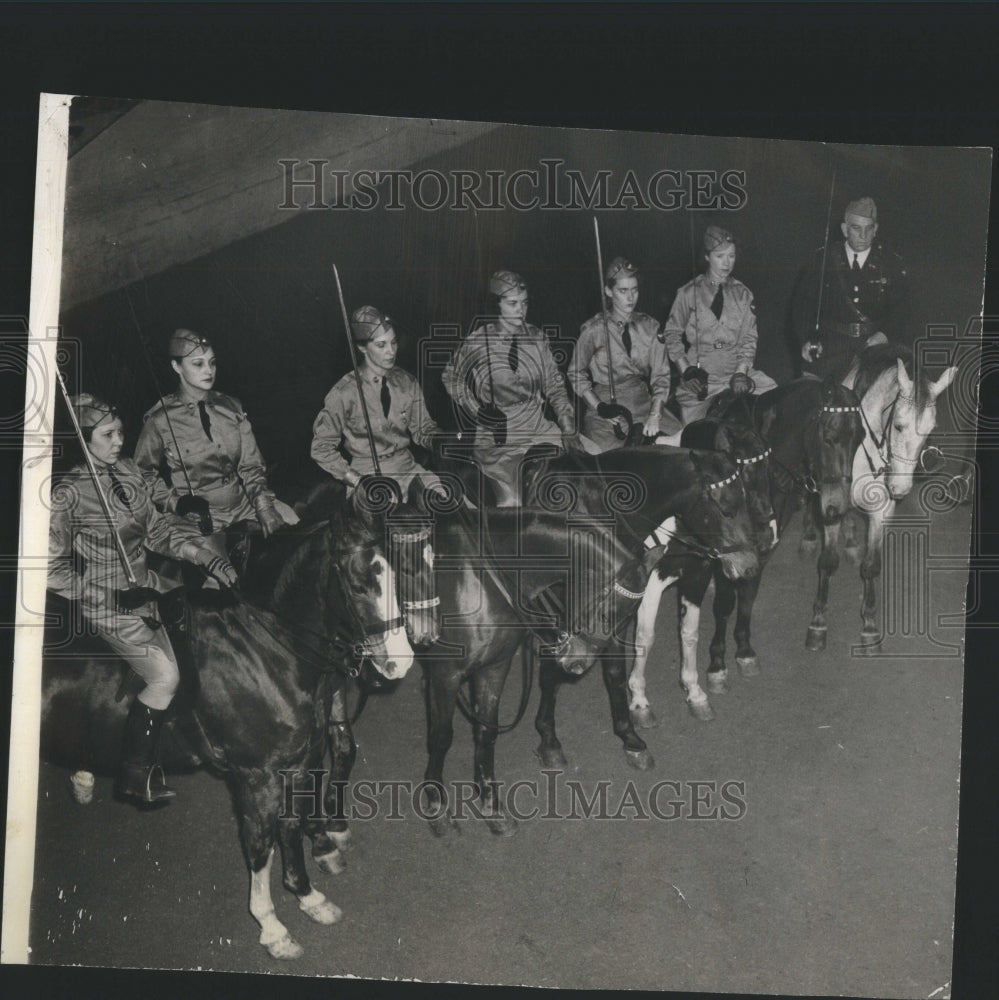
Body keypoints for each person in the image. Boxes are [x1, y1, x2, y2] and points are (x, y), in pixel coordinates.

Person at [48, 394, 238, 804]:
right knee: (165, 677)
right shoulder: (67, 494)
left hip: (148, 583)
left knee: (206, 626)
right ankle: (136, 775)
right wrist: (97, 592)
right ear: (84, 440)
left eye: (120, 432)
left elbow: (158, 532)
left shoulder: (129, 472)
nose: (120, 440)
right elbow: (48, 567)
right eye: (108, 434)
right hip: (107, 599)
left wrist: (206, 558)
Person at [134, 329, 290, 564]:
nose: (208, 371)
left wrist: (263, 505)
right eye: (198, 364)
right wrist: (175, 502)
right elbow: (142, 473)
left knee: (296, 535)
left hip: (243, 504)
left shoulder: (231, 406)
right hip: (198, 521)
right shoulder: (159, 420)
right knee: (221, 580)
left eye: (212, 363)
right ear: (177, 367)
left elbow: (250, 464)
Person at [441, 270, 582, 505]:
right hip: (500, 438)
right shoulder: (478, 342)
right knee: (513, 502)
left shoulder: (537, 338)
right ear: (497, 306)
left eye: (524, 303)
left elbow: (555, 388)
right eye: (513, 303)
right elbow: (450, 377)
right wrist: (477, 410)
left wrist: (567, 428)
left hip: (540, 429)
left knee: (592, 465)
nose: (521, 310)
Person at [312, 306, 444, 503]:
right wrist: (356, 480)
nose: (391, 351)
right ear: (362, 347)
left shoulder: (407, 382)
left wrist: (440, 440)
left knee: (450, 504)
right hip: (369, 475)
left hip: (408, 468)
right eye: (381, 345)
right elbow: (321, 448)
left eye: (394, 342)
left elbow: (422, 428)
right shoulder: (344, 392)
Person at [662, 226, 778, 425]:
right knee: (696, 429)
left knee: (774, 400)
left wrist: (741, 373)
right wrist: (687, 371)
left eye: (731, 256)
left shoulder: (743, 294)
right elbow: (672, 335)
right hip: (702, 379)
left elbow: (749, 339)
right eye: (720, 256)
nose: (727, 263)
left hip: (736, 372)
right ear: (707, 257)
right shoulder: (688, 293)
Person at [569, 256, 680, 451]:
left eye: (634, 290)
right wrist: (599, 407)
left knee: (684, 443)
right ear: (608, 291)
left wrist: (655, 415)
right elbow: (575, 373)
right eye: (623, 291)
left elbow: (661, 377)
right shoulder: (594, 329)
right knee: (611, 460)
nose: (630, 298)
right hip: (606, 410)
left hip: (644, 403)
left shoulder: (650, 326)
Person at [792, 196, 910, 380]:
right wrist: (807, 339)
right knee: (810, 398)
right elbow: (802, 305)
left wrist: (885, 335)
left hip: (874, 345)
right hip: (829, 345)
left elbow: (902, 309)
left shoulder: (891, 264)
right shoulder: (823, 260)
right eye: (856, 228)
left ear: (876, 229)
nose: (863, 236)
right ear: (845, 229)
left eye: (868, 228)